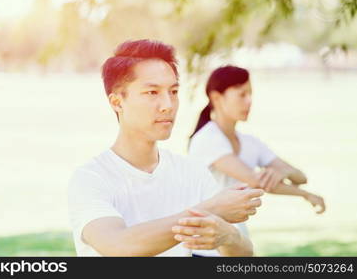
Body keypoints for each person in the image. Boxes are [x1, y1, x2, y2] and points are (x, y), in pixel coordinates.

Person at [68, 40, 264, 257]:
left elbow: (244, 256)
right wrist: (211, 209)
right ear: (117, 102)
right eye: (152, 92)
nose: (168, 105)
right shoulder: (91, 178)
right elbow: (118, 246)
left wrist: (229, 236)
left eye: (173, 91)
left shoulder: (192, 173)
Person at [188, 65, 326, 256]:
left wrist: (284, 172)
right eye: (241, 95)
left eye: (250, 94)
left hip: (238, 244)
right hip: (206, 250)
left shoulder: (250, 143)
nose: (249, 101)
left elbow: (301, 177)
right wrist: (305, 195)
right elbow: (257, 180)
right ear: (217, 98)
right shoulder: (207, 139)